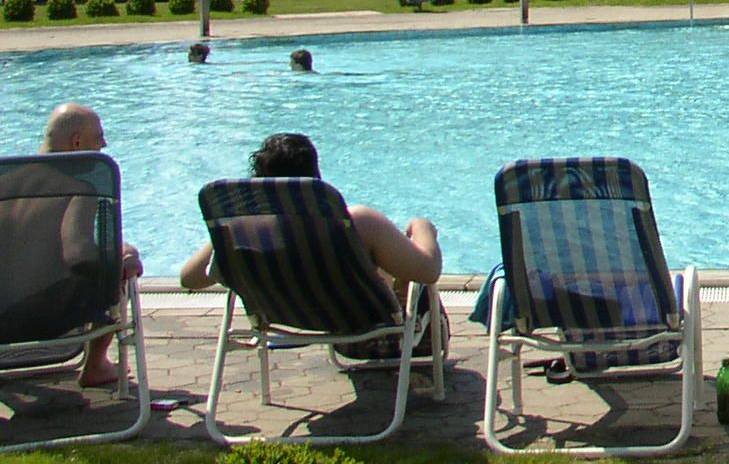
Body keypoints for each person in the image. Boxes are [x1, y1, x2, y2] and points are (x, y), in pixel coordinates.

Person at [179, 133, 443, 306]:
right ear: (315, 174)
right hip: (371, 332)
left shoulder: (245, 231)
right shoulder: (357, 223)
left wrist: (229, 227)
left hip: (285, 323)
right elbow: (428, 271)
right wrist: (422, 227)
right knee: (397, 260)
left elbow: (190, 278)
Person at [39, 103, 143, 387]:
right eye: (99, 138)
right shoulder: (79, 186)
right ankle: (95, 365)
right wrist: (120, 256)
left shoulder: (8, 182)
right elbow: (79, 252)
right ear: (77, 143)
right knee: (118, 264)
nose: (105, 144)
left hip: (6, 314)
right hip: (52, 314)